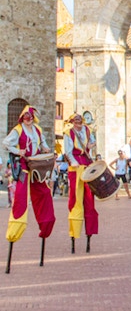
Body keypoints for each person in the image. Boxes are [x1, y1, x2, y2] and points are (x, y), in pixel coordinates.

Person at [3, 105, 56, 244]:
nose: (28, 119)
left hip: (36, 165)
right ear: (23, 118)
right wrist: (17, 151)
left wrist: (44, 148)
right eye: (26, 117)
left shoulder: (37, 130)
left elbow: (42, 142)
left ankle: (46, 224)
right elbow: (6, 143)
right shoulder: (18, 130)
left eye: (31, 117)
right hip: (24, 166)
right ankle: (15, 230)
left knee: (44, 193)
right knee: (21, 198)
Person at [63, 113, 98, 244]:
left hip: (87, 164)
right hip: (76, 166)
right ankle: (75, 229)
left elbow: (93, 142)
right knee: (75, 198)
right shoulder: (68, 133)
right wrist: (73, 162)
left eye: (79, 120)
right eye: (75, 120)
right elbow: (68, 151)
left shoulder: (88, 130)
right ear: (72, 122)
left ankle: (90, 230)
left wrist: (91, 146)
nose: (78, 122)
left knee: (89, 198)